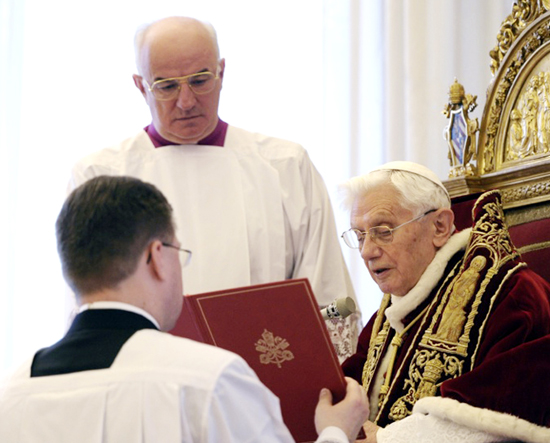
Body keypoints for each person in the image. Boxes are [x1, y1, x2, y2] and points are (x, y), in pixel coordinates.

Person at [68, 16, 359, 361]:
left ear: (222, 72)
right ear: (140, 85)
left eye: (200, 80)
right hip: (147, 381)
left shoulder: (285, 166)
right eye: (166, 86)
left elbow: (324, 296)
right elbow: (93, 307)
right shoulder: (102, 177)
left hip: (265, 384)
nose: (187, 101)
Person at [0, 175, 368, 443]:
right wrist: (336, 432)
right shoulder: (209, 379)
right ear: (157, 257)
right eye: (179, 252)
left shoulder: (13, 392)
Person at [338, 161, 550, 442]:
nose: (366, 251)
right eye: (360, 235)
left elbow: (504, 412)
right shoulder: (393, 310)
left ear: (440, 226)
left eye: (384, 230)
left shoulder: (511, 295)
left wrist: (388, 440)